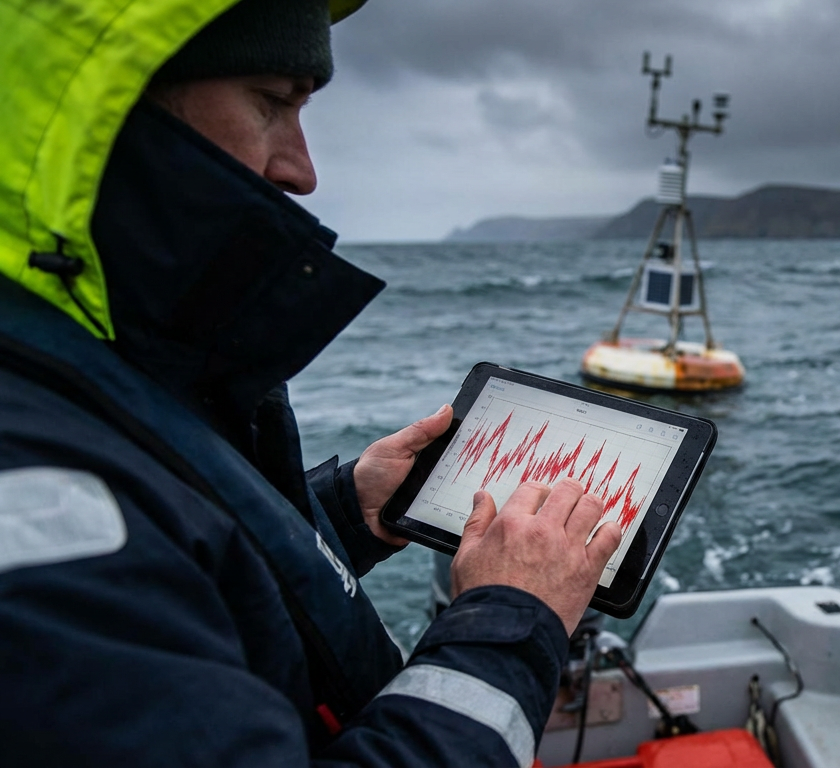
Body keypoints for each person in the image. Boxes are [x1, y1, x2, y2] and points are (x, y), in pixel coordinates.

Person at [0, 0, 619, 765]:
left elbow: (193, 570)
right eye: (272, 102)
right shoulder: (31, 476)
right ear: (96, 109)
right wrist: (510, 619)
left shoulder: (90, 359)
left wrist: (345, 513)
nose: (302, 169)